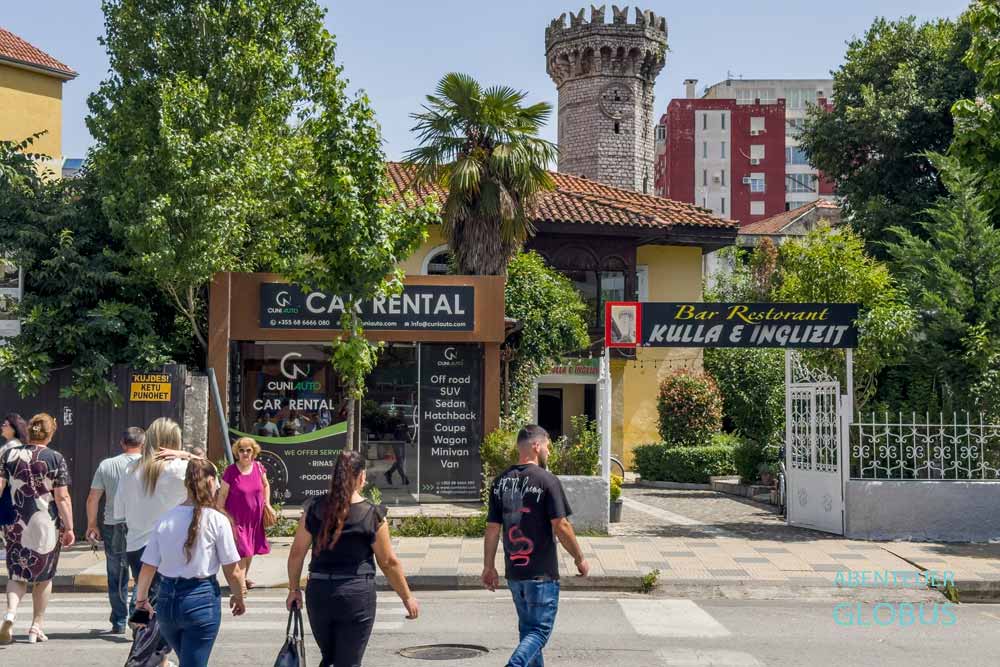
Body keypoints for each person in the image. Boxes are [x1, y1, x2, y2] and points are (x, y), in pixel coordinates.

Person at [286, 450, 419, 667]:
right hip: (355, 594)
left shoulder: (314, 508)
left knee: (330, 658)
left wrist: (294, 589)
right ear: (362, 477)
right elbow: (388, 562)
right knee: (348, 662)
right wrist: (407, 597)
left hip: (319, 593)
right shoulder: (372, 515)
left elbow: (296, 553)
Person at [482, 424, 590, 667]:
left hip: (515, 574)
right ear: (536, 446)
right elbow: (561, 526)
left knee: (527, 633)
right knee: (539, 632)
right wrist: (579, 558)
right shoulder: (547, 481)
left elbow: (492, 529)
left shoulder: (500, 482)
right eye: (548, 448)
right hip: (541, 575)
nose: (549, 453)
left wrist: (488, 567)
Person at [135, 459, 246, 667]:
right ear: (212, 482)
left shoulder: (165, 519)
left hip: (167, 601)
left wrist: (141, 601)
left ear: (186, 484)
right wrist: (239, 597)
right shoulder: (217, 520)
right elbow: (234, 571)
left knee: (187, 660)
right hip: (201, 598)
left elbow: (148, 567)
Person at [0, 413, 75, 644]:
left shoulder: (9, 455)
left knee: (17, 574)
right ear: (51, 433)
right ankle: (36, 627)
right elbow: (62, 497)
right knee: (44, 577)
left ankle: (10, 614)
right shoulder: (55, 458)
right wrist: (70, 527)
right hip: (46, 524)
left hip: (14, 523)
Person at [115, 417, 200, 616]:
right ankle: (149, 641)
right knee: (165, 604)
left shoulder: (130, 469)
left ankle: (141, 635)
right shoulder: (180, 468)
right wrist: (187, 455)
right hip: (170, 543)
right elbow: (212, 477)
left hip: (136, 544)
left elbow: (119, 510)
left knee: (146, 596)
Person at [85, 427, 145, 634]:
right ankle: (137, 617)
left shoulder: (107, 465)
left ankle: (119, 620)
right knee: (144, 572)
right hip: (142, 524)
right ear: (143, 444)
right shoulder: (149, 465)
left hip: (113, 524)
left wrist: (92, 524)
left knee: (117, 574)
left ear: (122, 443)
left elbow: (93, 498)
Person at [216, 437, 271, 591]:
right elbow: (222, 495)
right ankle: (240, 585)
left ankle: (243, 577)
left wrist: (268, 504)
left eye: (248, 450)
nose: (245, 453)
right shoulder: (231, 471)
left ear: (253, 452)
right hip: (236, 520)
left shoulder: (259, 467)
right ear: (237, 452)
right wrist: (224, 514)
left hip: (254, 519)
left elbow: (266, 485)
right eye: (242, 450)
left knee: (249, 550)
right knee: (242, 550)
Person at [0, 413, 29, 528]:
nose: (2, 426)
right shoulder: (17, 445)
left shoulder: (11, 447)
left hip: (6, 491)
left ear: (13, 428)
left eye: (5, 425)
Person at [384, 418, 410, 486]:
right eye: (399, 411)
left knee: (401, 461)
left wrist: (410, 440)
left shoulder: (404, 421)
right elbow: (389, 433)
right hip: (396, 442)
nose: (401, 413)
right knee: (399, 460)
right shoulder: (393, 421)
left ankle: (389, 473)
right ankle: (404, 478)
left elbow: (406, 432)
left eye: (402, 411)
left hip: (402, 442)